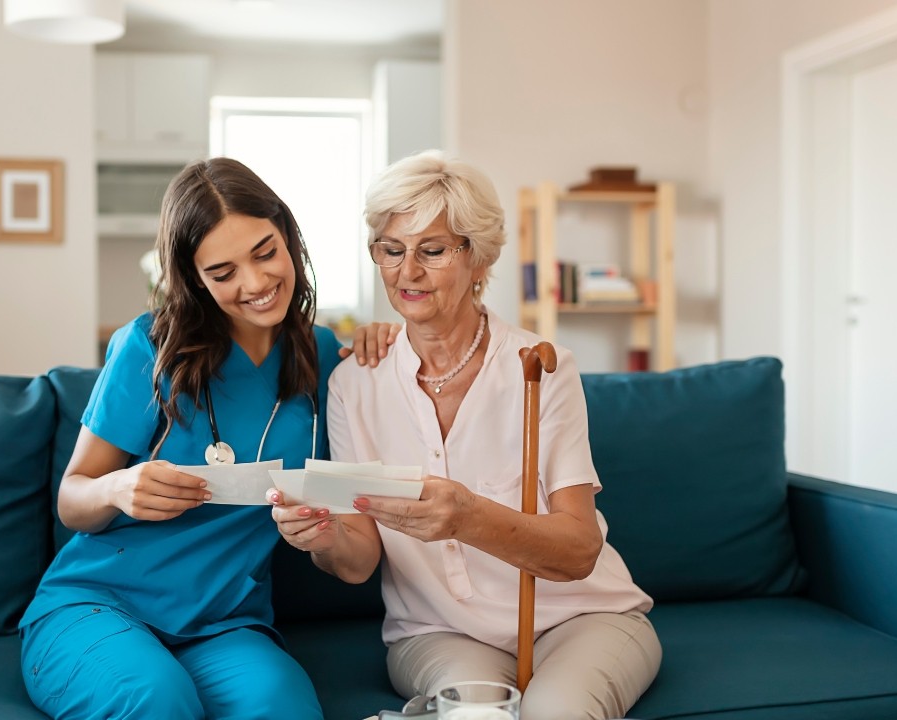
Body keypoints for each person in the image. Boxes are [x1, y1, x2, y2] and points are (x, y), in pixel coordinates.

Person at [269, 150, 661, 720]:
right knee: (472, 715)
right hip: (437, 632)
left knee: (555, 713)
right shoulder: (355, 382)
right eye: (391, 250)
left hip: (583, 616)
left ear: (478, 259)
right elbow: (357, 562)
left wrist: (467, 517)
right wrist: (322, 537)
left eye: (432, 250)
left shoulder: (542, 367)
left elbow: (579, 551)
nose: (408, 273)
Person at [20, 157, 357, 720]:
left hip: (223, 624)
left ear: (289, 237)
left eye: (265, 252)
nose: (254, 283)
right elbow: (72, 498)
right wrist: (116, 489)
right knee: (156, 699)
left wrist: (384, 338)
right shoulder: (149, 349)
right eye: (222, 273)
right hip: (99, 605)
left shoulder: (325, 358)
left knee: (283, 707)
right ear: (195, 278)